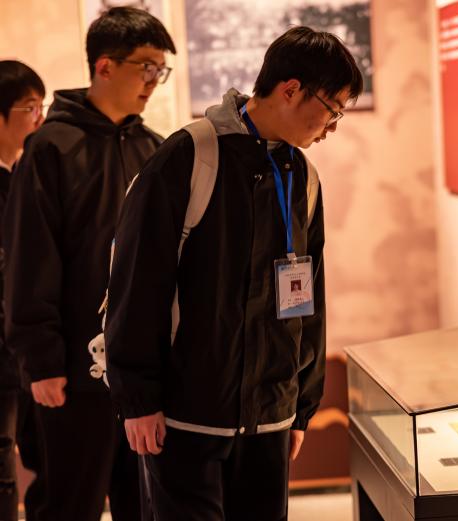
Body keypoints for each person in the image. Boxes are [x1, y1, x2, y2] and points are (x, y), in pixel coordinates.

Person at [104, 26, 362, 520]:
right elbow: (136, 284)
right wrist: (138, 398)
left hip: (270, 416)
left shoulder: (303, 177)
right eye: (332, 110)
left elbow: (310, 299)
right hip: (186, 418)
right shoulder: (188, 157)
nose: (332, 127)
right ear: (291, 89)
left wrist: (300, 406)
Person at [2, 7, 176, 521]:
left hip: (140, 375)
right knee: (68, 503)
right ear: (105, 66)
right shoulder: (49, 148)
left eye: (160, 69)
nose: (154, 80)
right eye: (146, 67)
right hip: (70, 374)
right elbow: (30, 259)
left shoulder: (155, 149)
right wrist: (42, 361)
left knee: (143, 504)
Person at [0, 59, 45, 521]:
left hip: (28, 351)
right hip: (4, 353)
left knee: (39, 459)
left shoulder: (27, 175)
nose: (40, 118)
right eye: (30, 107)